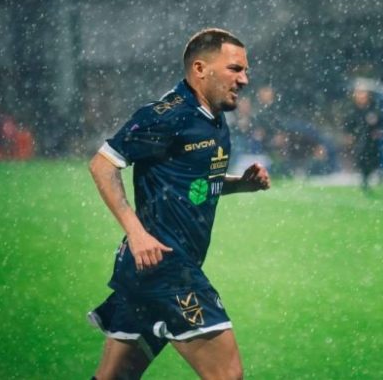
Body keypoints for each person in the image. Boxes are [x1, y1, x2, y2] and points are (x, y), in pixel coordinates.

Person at [87, 28, 270, 379]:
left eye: (246, 71)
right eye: (235, 69)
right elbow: (102, 165)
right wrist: (136, 233)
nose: (244, 79)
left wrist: (240, 185)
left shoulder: (213, 117)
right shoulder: (166, 114)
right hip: (168, 268)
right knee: (227, 375)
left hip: (147, 271)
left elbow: (195, 186)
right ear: (200, 69)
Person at [343, 85, 383, 190]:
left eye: (363, 94)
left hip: (372, 138)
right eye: (359, 94)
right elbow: (348, 123)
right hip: (359, 137)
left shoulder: (374, 107)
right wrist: (349, 134)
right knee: (361, 157)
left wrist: (378, 128)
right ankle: (365, 177)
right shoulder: (352, 109)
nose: (361, 96)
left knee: (374, 157)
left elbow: (382, 119)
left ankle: (377, 173)